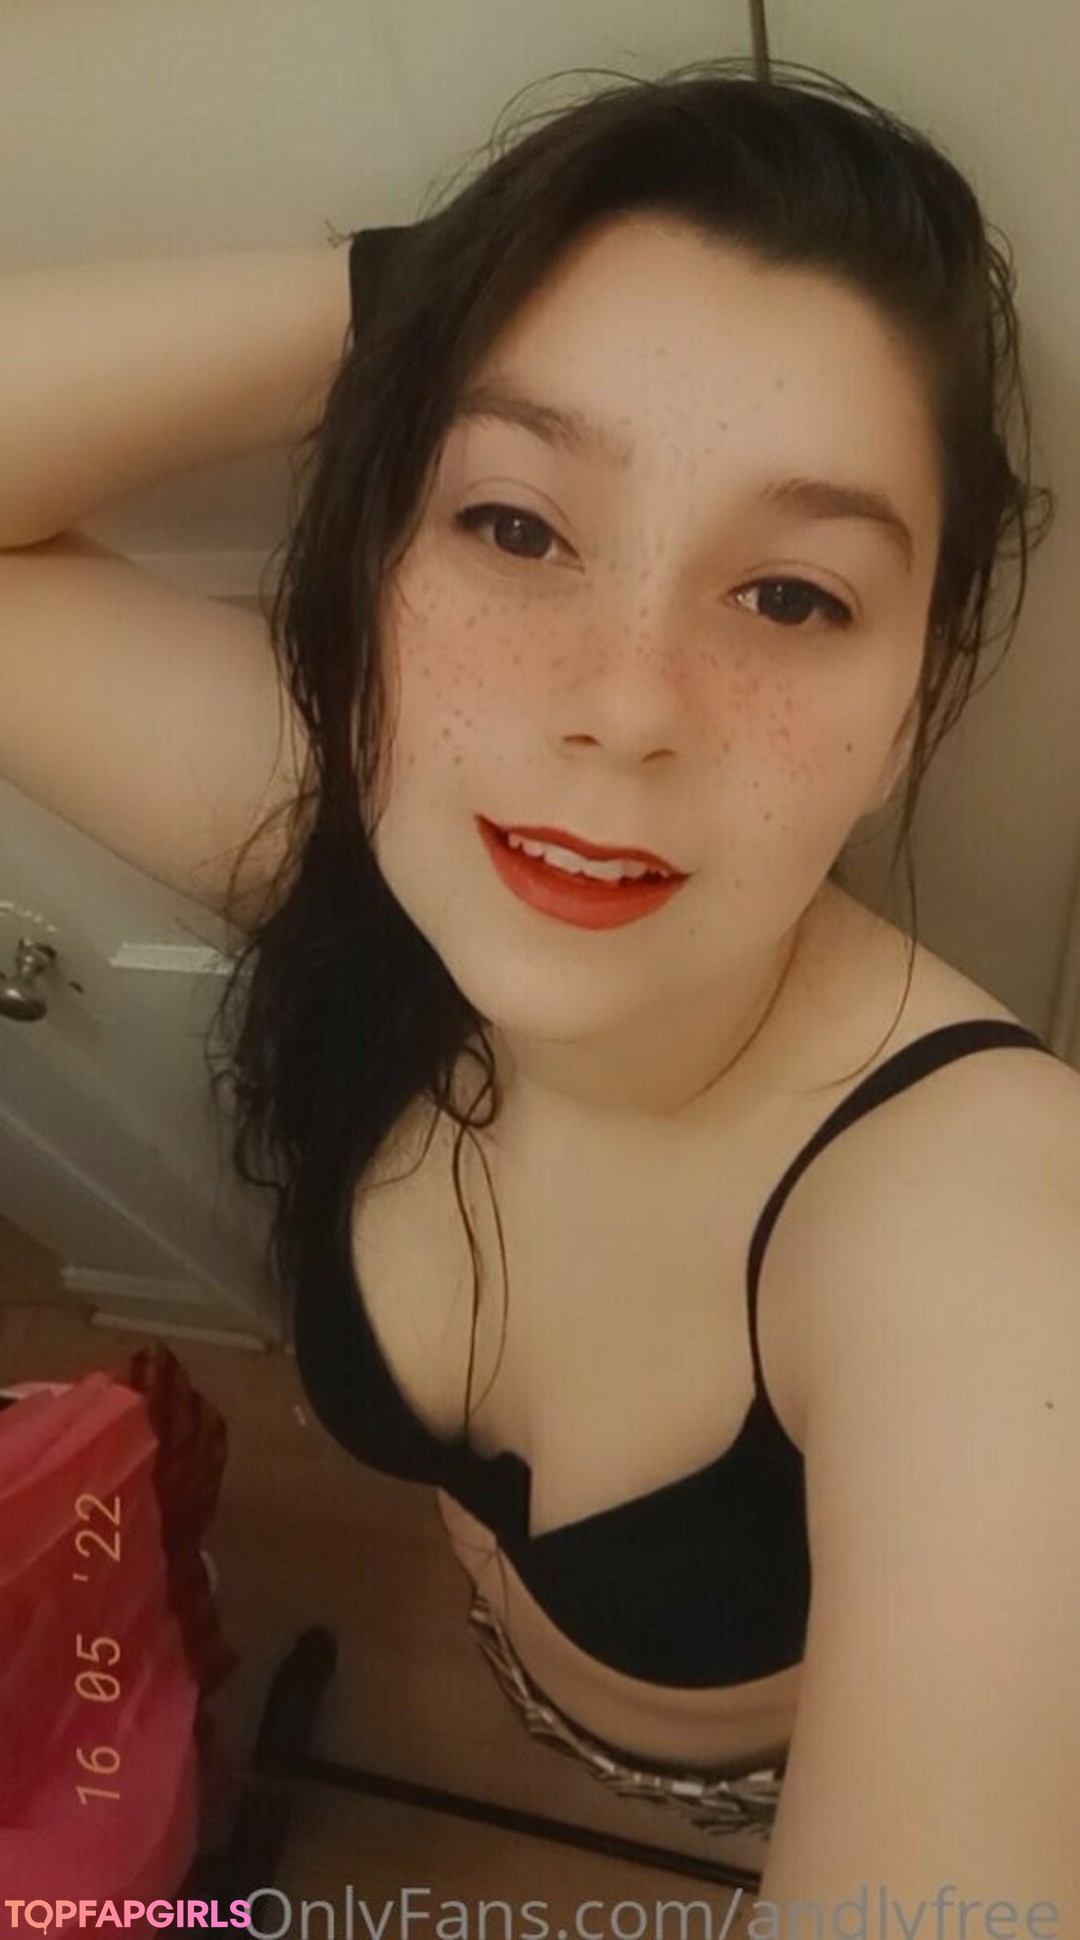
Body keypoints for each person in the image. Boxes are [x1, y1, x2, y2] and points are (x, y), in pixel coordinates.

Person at [1, 55, 1076, 1926]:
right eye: (515, 524)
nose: (625, 704)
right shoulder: (391, 825)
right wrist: (414, 292)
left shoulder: (989, 1232)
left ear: (912, 707)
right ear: (378, 564)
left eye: (793, 597)